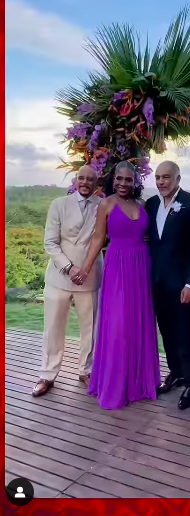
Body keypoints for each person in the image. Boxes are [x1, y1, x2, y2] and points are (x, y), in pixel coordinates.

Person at [73, 161, 160, 410]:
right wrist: (86, 268)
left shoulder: (141, 205)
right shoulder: (106, 204)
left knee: (139, 321)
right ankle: (116, 384)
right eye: (119, 179)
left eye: (128, 180)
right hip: (118, 266)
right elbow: (99, 237)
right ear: (113, 179)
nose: (123, 184)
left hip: (141, 266)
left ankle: (139, 382)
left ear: (135, 182)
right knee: (119, 323)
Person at [32, 165, 102, 397]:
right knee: (53, 327)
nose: (85, 182)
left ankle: (86, 370)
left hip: (90, 276)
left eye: (90, 179)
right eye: (81, 178)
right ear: (75, 180)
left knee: (90, 329)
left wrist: (84, 269)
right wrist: (70, 268)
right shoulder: (59, 205)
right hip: (60, 276)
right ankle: (47, 373)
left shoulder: (103, 206)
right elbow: (50, 243)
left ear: (96, 182)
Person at [145, 161, 190, 410]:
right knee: (166, 331)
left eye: (167, 177)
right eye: (158, 177)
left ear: (178, 179)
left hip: (181, 283)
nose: (161, 181)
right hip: (156, 281)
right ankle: (176, 372)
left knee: (185, 332)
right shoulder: (151, 204)